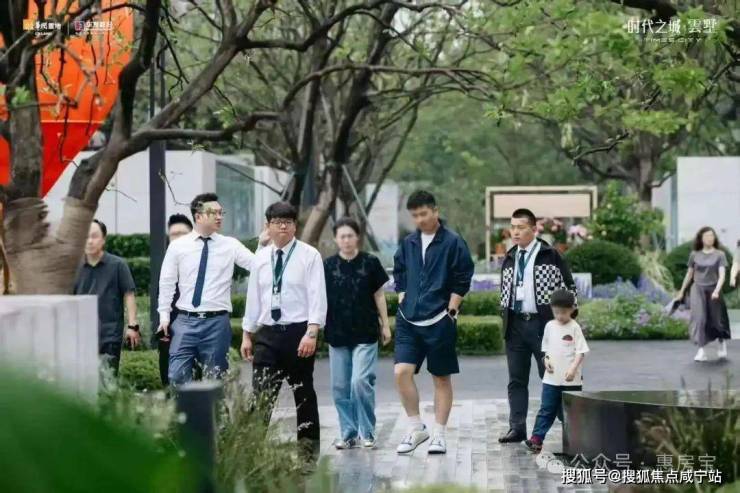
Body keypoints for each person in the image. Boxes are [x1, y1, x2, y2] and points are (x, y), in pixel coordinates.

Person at [241, 201, 327, 456]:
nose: (282, 227)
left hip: (298, 334)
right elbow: (253, 298)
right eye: (277, 222)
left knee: (303, 394)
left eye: (288, 222)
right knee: (261, 395)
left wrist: (311, 332)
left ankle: (308, 453)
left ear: (295, 226)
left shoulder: (309, 255)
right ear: (267, 226)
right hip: (267, 335)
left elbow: (317, 296)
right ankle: (251, 452)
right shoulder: (260, 258)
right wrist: (247, 334)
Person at [392, 190, 475, 455]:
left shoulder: (453, 242)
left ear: (435, 211)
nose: (420, 219)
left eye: (424, 213)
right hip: (408, 319)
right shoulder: (408, 242)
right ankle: (416, 427)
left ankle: (439, 434)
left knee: (440, 377)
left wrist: (453, 307)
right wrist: (402, 293)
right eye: (415, 215)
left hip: (440, 319)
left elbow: (464, 274)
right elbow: (399, 269)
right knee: (401, 372)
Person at [157, 193, 268, 385]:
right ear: (198, 216)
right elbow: (166, 282)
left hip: (216, 323)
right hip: (185, 321)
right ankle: (186, 406)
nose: (219, 217)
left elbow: (257, 266)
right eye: (213, 213)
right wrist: (164, 317)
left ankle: (212, 406)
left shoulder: (230, 245)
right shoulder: (178, 247)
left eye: (220, 213)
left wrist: (262, 245)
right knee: (176, 376)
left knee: (215, 380)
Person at [498, 208, 577, 444]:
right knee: (516, 380)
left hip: (544, 326)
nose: (515, 232)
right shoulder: (510, 257)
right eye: (513, 227)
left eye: (520, 227)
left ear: (533, 229)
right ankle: (517, 428)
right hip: (515, 325)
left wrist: (566, 324)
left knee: (554, 378)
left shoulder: (549, 255)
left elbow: (570, 288)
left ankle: (572, 428)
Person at [324, 217, 391, 450]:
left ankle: (368, 431)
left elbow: (379, 295)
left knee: (360, 382)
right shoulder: (327, 266)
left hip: (365, 332)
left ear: (357, 237)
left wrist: (385, 324)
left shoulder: (370, 262)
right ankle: (348, 433)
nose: (346, 240)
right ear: (336, 239)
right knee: (340, 387)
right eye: (342, 236)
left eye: (350, 236)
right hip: (337, 333)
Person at [524, 289, 588, 453]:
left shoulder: (574, 327)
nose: (560, 316)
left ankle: (575, 443)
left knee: (570, 413)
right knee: (546, 409)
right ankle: (536, 439)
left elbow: (581, 352)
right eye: (556, 312)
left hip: (571, 381)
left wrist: (573, 369)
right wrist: (546, 361)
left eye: (564, 312)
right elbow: (546, 350)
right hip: (551, 379)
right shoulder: (549, 326)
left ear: (572, 309)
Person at [74, 219, 139, 375]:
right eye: (86, 236)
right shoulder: (74, 268)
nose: (89, 241)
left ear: (103, 239)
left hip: (109, 335)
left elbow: (129, 294)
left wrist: (132, 326)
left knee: (107, 380)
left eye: (94, 236)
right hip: (80, 335)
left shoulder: (118, 265)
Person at [676, 227, 731, 361]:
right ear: (701, 238)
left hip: (713, 289)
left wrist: (717, 290)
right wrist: (682, 291)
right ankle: (701, 351)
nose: (710, 238)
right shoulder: (694, 255)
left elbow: (722, 275)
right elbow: (689, 274)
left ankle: (721, 342)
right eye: (707, 236)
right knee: (699, 319)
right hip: (697, 289)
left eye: (712, 235)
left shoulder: (720, 255)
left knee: (717, 321)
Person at [154, 214, 193, 386]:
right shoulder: (167, 266)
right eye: (174, 235)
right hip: (170, 333)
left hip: (198, 333)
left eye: (182, 234)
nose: (178, 239)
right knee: (169, 382)